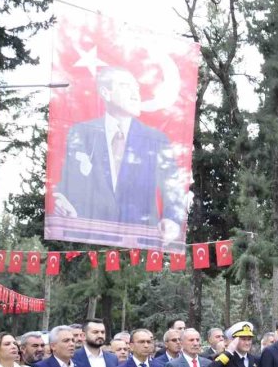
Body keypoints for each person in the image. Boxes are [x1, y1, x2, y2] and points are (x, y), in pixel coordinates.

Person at [52, 66, 189, 247]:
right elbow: (68, 184)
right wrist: (61, 200)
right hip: (88, 242)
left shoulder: (156, 140)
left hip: (140, 245)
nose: (135, 94)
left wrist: (172, 220)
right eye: (126, 86)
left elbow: (173, 190)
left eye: (137, 88)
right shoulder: (81, 133)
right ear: (106, 93)